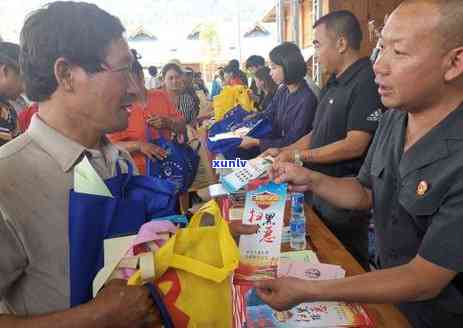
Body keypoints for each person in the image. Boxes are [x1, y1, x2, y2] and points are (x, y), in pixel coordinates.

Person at [257, 1, 463, 326]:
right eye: (380, 48)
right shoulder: (395, 117)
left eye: (399, 52)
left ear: (454, 62)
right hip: (380, 294)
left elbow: (424, 278)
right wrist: (310, 178)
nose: (379, 65)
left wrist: (311, 290)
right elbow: (366, 193)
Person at [0, 2, 161, 326]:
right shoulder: (8, 181)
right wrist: (95, 317)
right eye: (124, 70)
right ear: (67, 75)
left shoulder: (121, 162)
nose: (135, 87)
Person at [266, 11, 383, 269]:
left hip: (345, 197)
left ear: (341, 43)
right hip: (317, 191)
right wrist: (284, 151)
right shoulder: (333, 82)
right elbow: (316, 133)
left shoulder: (366, 81)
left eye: (317, 44)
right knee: (319, 257)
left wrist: (299, 157)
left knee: (346, 262)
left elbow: (355, 144)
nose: (314, 52)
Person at [108, 54, 185, 175]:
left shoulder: (161, 96)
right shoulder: (119, 108)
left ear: (141, 75)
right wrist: (139, 145)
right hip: (140, 177)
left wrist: (168, 123)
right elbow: (111, 147)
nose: (124, 86)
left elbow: (182, 126)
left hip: (170, 169)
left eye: (128, 79)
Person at [239, 42, 318, 153]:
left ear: (288, 66)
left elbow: (292, 141)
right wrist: (252, 117)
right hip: (276, 146)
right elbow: (268, 113)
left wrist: (256, 142)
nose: (270, 73)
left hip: (293, 155)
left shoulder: (307, 99)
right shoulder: (282, 90)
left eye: (273, 68)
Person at [0, 42, 22, 146]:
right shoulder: (4, 112)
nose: (24, 88)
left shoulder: (7, 107)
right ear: (5, 71)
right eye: (22, 79)